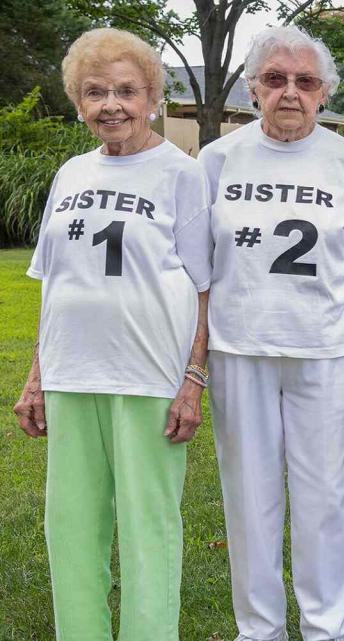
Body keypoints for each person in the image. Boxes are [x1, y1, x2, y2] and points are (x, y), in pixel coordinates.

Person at [12, 27, 211, 641]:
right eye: (95, 92)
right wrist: (36, 378)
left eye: (127, 91)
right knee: (70, 528)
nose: (112, 105)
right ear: (78, 102)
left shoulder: (182, 174)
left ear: (151, 96)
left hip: (149, 375)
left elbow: (206, 288)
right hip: (73, 373)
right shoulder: (70, 174)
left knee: (149, 526)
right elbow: (55, 284)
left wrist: (193, 379)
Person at [197, 25, 344, 641]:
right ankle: (260, 629)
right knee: (249, 500)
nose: (290, 92)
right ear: (253, 89)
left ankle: (326, 627)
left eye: (305, 82)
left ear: (324, 91)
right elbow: (197, 272)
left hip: (328, 351)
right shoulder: (217, 161)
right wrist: (195, 362)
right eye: (275, 79)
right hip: (239, 347)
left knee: (325, 500)